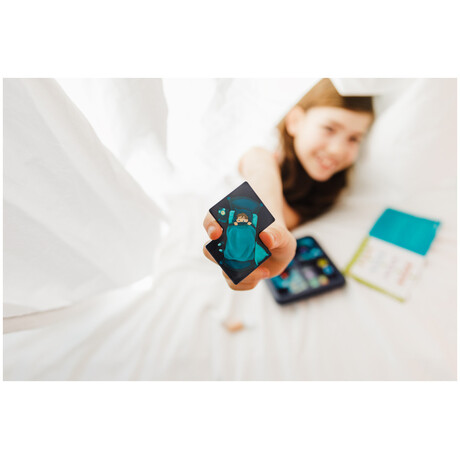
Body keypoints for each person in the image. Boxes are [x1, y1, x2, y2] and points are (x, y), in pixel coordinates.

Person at [203, 79, 374, 291]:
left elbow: (294, 216)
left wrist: (276, 233)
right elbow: (259, 166)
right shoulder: (269, 151)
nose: (338, 150)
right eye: (329, 129)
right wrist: (273, 222)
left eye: (354, 139)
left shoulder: (334, 185)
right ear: (295, 121)